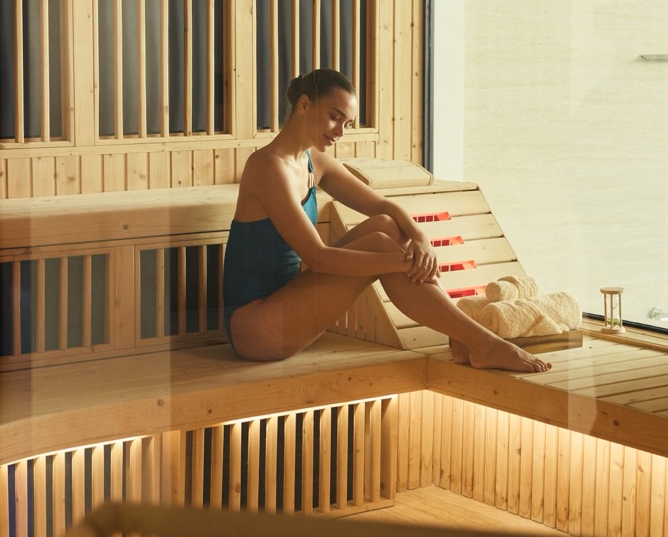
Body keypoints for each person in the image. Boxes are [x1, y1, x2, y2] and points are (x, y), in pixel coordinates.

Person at [222, 69, 551, 374]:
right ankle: (482, 342)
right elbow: (318, 257)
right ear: (305, 105)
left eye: (347, 123)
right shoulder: (267, 166)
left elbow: (384, 206)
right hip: (256, 328)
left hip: (288, 304)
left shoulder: (313, 161)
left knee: (387, 226)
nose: (339, 132)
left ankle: (465, 338)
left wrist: (420, 239)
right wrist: (401, 263)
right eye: (334, 118)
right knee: (383, 243)